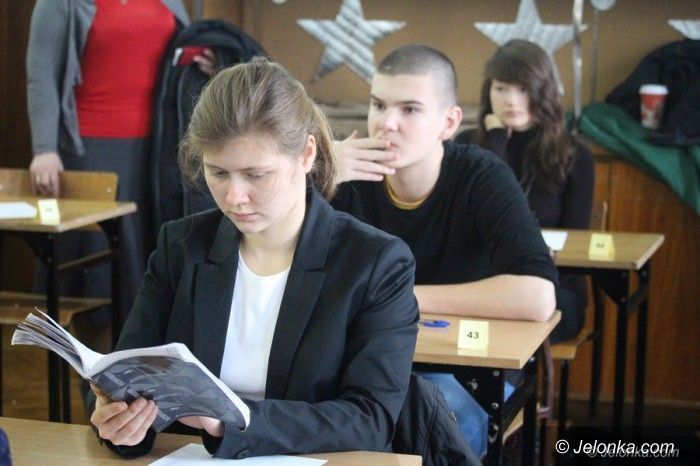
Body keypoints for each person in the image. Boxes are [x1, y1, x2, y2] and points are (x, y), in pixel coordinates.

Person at [88, 58, 419, 459]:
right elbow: (125, 379)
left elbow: (370, 418)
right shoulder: (181, 246)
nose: (234, 197)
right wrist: (120, 423)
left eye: (256, 175)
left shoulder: (376, 262)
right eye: (218, 173)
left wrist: (230, 420)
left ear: (306, 154)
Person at [331, 44, 558, 457]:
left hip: (466, 371)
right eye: (378, 105)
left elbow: (538, 295)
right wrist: (318, 173)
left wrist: (401, 298)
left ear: (449, 122)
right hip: (369, 360)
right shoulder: (347, 174)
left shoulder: (482, 176)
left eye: (410, 109)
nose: (386, 124)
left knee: (427, 427)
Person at [25, 0, 215, 325]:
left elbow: (180, 54)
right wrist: (44, 149)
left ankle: (140, 346)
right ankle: (87, 350)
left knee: (150, 254)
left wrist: (209, 63)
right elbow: (41, 72)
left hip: (159, 150)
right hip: (88, 151)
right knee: (95, 266)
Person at [455, 39, 595, 342]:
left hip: (552, 285)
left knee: (510, 324)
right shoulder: (467, 146)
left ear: (543, 92)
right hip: (481, 283)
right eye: (501, 88)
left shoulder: (574, 156)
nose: (511, 100)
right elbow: (465, 222)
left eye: (523, 89)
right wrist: (495, 139)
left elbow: (575, 241)